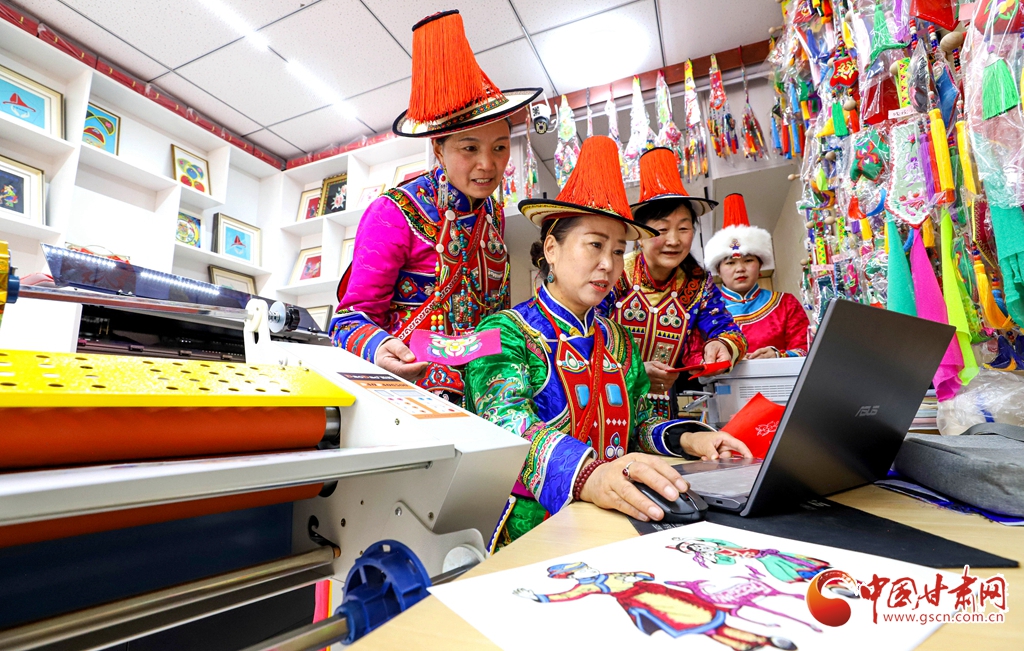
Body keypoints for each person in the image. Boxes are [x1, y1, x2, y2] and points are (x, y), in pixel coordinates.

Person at [465, 136, 751, 548]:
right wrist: (590, 475)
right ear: (552, 249)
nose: (608, 264)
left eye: (618, 251)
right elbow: (507, 424)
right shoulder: (504, 331)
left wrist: (690, 438)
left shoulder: (617, 339)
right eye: (595, 245)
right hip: (534, 531)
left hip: (618, 521)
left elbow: (639, 423)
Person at [329, 10, 541, 404]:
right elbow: (347, 322)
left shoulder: (493, 215)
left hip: (487, 395)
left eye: (499, 148)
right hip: (414, 394)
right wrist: (379, 348)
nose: (488, 164)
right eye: (470, 148)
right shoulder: (393, 213)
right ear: (438, 150)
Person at [610, 147, 747, 418]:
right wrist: (635, 370)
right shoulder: (616, 274)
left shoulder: (698, 284)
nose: (674, 240)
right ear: (640, 236)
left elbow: (729, 331)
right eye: (661, 230)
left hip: (663, 410)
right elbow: (588, 339)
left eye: (683, 228)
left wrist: (721, 345)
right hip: (612, 401)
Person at [703, 194, 810, 359]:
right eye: (730, 263)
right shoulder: (705, 311)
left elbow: (806, 349)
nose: (740, 268)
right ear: (718, 270)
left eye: (748, 261)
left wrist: (778, 356)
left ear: (760, 265)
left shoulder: (786, 304)